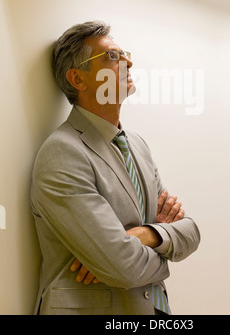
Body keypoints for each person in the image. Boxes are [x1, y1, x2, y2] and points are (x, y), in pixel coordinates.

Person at [31, 21, 200, 315]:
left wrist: (145, 235)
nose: (128, 62)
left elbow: (192, 232)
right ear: (78, 79)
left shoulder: (136, 145)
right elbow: (122, 267)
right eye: (112, 56)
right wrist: (161, 238)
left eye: (125, 54)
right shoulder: (63, 153)